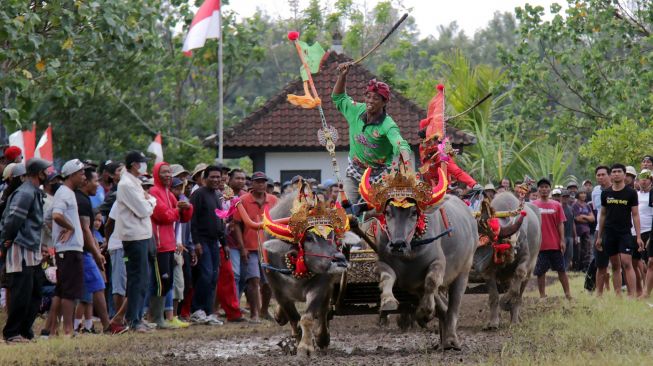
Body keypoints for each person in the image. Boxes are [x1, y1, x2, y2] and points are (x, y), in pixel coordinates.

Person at [332, 62, 412, 205]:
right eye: (368, 96)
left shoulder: (388, 124)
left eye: (376, 98)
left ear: (384, 102)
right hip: (354, 174)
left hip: (379, 178)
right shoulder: (357, 110)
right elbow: (339, 97)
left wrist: (406, 162)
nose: (370, 101)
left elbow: (400, 144)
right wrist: (342, 76)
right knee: (342, 212)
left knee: (376, 214)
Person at [0, 158, 51, 343]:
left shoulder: (34, 192)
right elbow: (13, 220)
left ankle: (24, 331)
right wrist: (7, 239)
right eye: (46, 170)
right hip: (21, 248)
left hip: (32, 250)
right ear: (38, 172)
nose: (49, 173)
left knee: (35, 292)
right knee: (21, 292)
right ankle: (12, 333)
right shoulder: (25, 193)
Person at [75, 168, 125, 334]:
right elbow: (85, 229)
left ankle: (67, 327)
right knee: (96, 285)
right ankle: (107, 326)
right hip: (82, 250)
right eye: (96, 181)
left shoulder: (84, 200)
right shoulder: (82, 201)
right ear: (86, 182)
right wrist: (96, 253)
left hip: (84, 249)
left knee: (89, 289)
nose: (99, 185)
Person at [114, 151, 156, 332]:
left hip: (143, 235)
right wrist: (151, 201)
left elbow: (148, 202)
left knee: (144, 279)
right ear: (133, 164)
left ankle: (138, 316)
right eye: (141, 162)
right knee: (136, 279)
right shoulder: (126, 185)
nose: (144, 165)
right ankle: (133, 319)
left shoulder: (135, 183)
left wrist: (150, 200)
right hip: (134, 237)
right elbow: (143, 209)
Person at [149, 162, 193, 329]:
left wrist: (187, 208)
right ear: (156, 174)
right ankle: (157, 318)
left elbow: (183, 218)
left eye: (169, 172)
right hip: (159, 244)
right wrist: (178, 210)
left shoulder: (168, 193)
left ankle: (159, 318)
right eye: (164, 172)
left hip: (170, 244)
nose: (168, 175)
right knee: (161, 282)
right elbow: (163, 216)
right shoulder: (154, 192)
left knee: (166, 283)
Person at [233, 172, 278, 322]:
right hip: (250, 247)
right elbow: (237, 225)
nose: (260, 184)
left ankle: (264, 310)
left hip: (269, 247)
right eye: (257, 181)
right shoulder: (243, 200)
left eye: (263, 181)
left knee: (268, 282)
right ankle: (254, 313)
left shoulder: (273, 200)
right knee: (253, 279)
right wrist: (241, 247)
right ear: (251, 183)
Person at [51, 159, 87, 336]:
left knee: (62, 289)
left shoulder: (67, 192)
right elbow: (56, 215)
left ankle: (51, 330)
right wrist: (70, 227)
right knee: (69, 291)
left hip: (68, 248)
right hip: (69, 249)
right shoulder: (65, 193)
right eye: (81, 173)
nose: (84, 177)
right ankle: (68, 330)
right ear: (72, 175)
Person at [595, 164, 643, 298]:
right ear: (611, 175)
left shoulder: (631, 193)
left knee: (627, 263)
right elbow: (603, 215)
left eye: (619, 172)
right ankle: (618, 295)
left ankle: (632, 295)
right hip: (609, 233)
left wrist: (638, 237)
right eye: (614, 172)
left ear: (624, 174)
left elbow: (635, 215)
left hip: (625, 233)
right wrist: (599, 237)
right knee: (615, 265)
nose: (616, 174)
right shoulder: (606, 193)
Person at [189, 165, 225, 325]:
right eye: (213, 177)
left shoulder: (217, 195)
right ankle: (197, 310)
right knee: (205, 274)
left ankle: (209, 311)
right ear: (205, 178)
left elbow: (220, 221)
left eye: (218, 177)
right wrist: (196, 242)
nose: (216, 180)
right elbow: (193, 219)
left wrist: (225, 244)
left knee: (214, 276)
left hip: (214, 241)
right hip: (202, 240)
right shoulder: (198, 194)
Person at [532, 178, 572, 300]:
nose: (544, 189)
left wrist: (562, 240)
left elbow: (560, 223)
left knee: (561, 270)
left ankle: (568, 294)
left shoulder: (557, 205)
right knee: (540, 272)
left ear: (550, 189)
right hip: (540, 245)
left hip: (555, 244)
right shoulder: (533, 205)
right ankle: (542, 295)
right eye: (541, 187)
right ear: (538, 189)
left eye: (546, 187)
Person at [592, 165, 612, 294]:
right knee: (600, 264)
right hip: (599, 230)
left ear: (609, 175)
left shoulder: (617, 189)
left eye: (603, 174)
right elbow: (598, 211)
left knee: (622, 263)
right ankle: (599, 293)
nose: (600, 177)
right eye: (598, 175)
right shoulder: (595, 191)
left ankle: (623, 292)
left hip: (617, 229)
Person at [633, 170, 652, 298]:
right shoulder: (634, 195)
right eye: (641, 178)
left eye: (647, 178)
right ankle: (640, 289)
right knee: (635, 262)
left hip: (649, 231)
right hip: (635, 232)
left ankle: (646, 290)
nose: (644, 180)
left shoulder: (651, 195)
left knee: (649, 262)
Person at [572, 190, 594, 272]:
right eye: (581, 193)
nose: (583, 195)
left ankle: (586, 267)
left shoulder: (587, 206)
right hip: (577, 231)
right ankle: (577, 267)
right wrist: (587, 218)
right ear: (578, 195)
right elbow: (577, 218)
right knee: (578, 249)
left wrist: (584, 216)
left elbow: (593, 219)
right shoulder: (575, 205)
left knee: (587, 249)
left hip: (586, 231)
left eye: (585, 193)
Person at [560, 190, 577, 270]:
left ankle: (565, 269)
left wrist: (575, 235)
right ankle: (558, 268)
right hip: (560, 236)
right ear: (561, 197)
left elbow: (573, 222)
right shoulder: (558, 208)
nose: (565, 198)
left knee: (569, 254)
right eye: (564, 196)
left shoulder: (571, 208)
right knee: (560, 253)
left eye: (567, 197)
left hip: (570, 235)